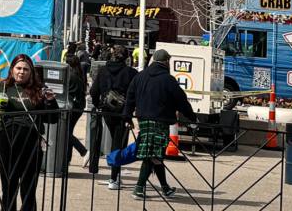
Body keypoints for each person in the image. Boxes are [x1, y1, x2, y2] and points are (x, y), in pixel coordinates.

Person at [123, 48, 196, 200]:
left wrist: (127, 117)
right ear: (166, 62)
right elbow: (181, 101)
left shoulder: (140, 76)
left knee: (155, 155)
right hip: (160, 121)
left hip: (143, 120)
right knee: (152, 155)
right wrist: (192, 118)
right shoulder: (168, 80)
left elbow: (130, 97)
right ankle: (139, 188)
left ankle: (165, 188)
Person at [0, 55, 59, 211]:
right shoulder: (3, 87)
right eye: (18, 68)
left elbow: (52, 119)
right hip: (7, 144)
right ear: (12, 70)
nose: (21, 72)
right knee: (8, 188)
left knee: (28, 189)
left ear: (31, 72)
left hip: (31, 146)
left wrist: (51, 101)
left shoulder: (39, 90)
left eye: (25, 69)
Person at [88, 44, 137, 189]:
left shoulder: (103, 70)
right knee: (119, 143)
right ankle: (114, 177)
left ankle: (114, 177)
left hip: (107, 111)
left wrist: (99, 105)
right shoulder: (131, 73)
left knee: (115, 141)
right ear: (127, 58)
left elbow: (93, 92)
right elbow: (135, 94)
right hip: (123, 113)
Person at [64, 43, 88, 161]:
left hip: (74, 107)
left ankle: (83, 151)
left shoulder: (71, 76)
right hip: (78, 107)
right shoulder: (78, 74)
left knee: (65, 132)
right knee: (68, 131)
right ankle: (67, 158)